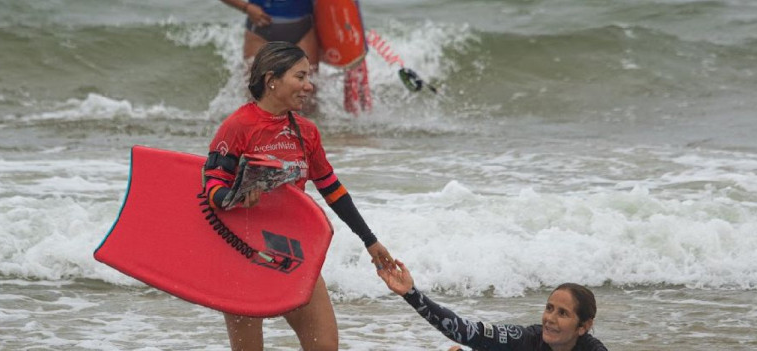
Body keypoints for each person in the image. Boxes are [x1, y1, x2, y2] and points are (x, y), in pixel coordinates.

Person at [202, 41, 394, 351]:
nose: (309, 85)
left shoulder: (306, 131)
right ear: (271, 80)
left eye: (309, 77)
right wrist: (236, 196)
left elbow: (332, 190)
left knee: (324, 346)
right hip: (241, 249)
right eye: (300, 76)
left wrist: (369, 240)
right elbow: (211, 188)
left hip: (290, 250)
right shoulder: (237, 127)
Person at [378, 259, 608, 351]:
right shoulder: (529, 339)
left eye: (563, 313)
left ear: (583, 326)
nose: (550, 319)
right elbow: (466, 330)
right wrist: (411, 293)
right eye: (549, 308)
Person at [209, 0, 321, 67]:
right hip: (261, 31)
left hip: (303, 30)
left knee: (308, 87)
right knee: (256, 87)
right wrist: (246, 7)